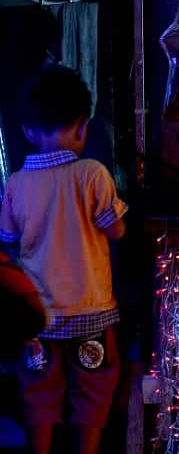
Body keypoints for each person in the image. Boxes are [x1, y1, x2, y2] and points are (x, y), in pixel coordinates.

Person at [0, 65, 126, 454]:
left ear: (27, 132)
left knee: (38, 395)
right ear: (83, 127)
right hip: (91, 314)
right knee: (92, 393)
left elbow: (8, 241)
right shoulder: (92, 173)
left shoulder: (16, 183)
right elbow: (116, 231)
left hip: (39, 319)